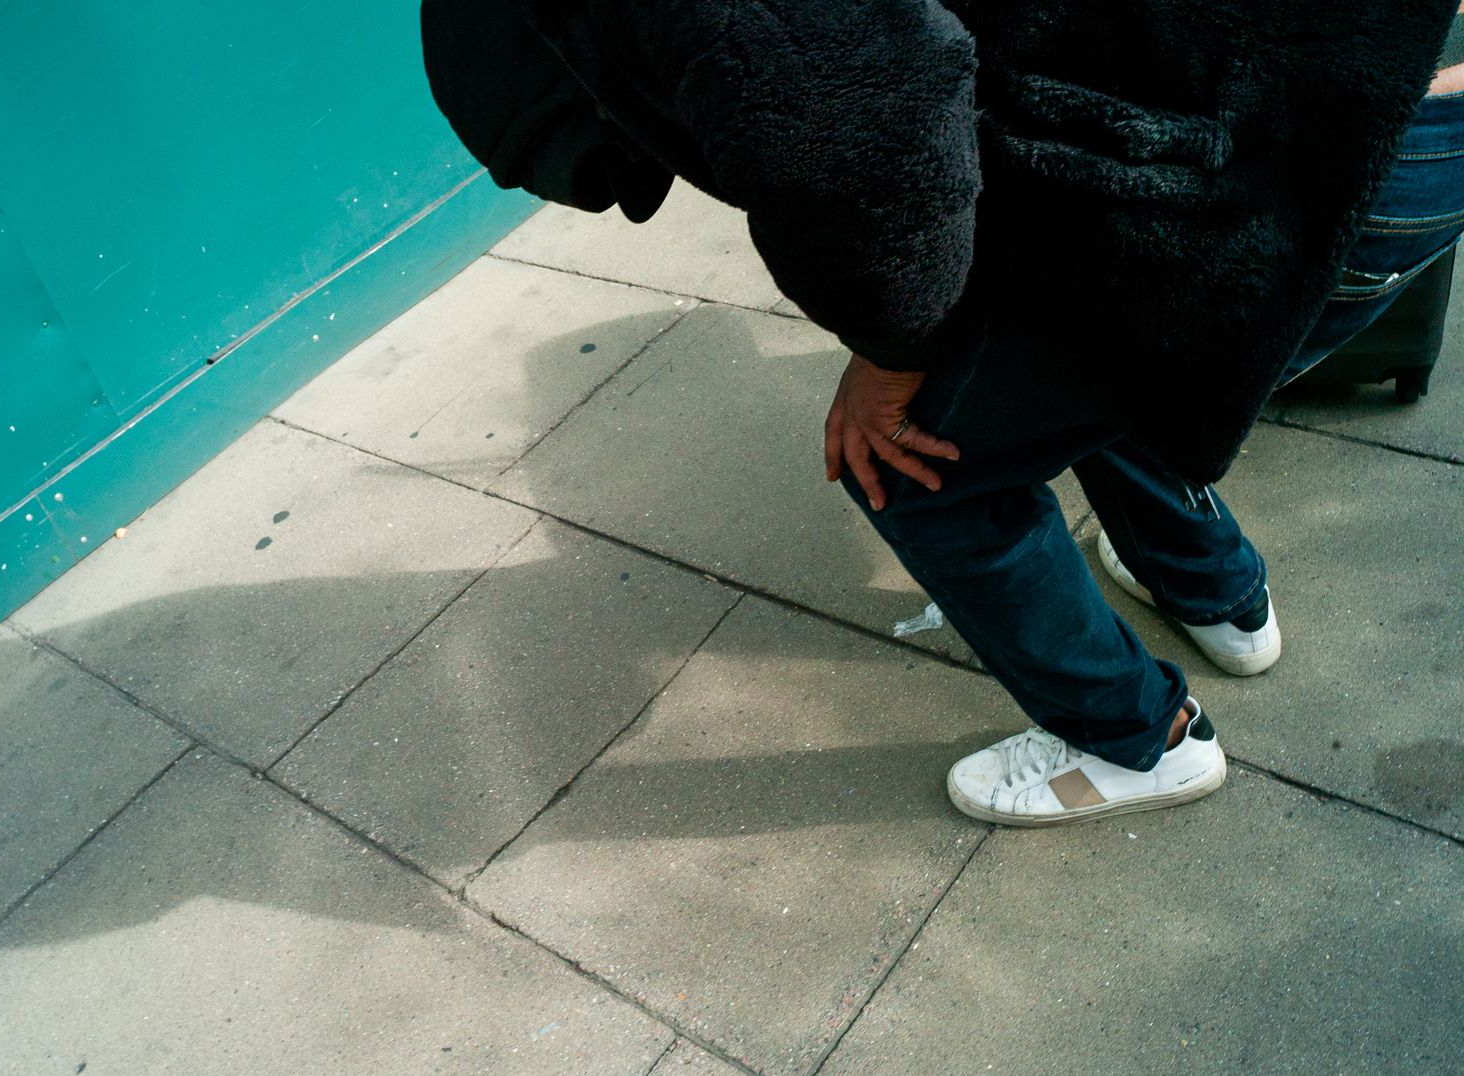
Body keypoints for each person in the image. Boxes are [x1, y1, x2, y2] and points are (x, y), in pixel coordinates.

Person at [423, 0, 1463, 825]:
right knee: (1120, 342)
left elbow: (867, 137)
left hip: (1301, 143)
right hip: (1356, 79)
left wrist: (886, 359)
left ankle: (1139, 741)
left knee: (911, 465)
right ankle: (1217, 596)